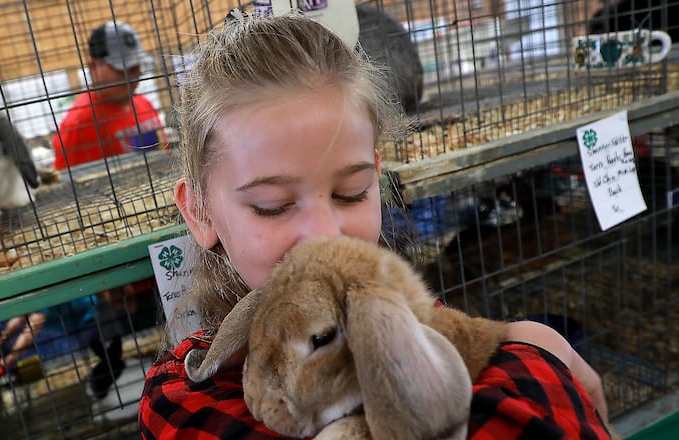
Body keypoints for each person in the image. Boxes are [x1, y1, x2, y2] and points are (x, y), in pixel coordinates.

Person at [138, 10, 614, 439]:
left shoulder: (404, 311)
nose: (324, 234)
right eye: (272, 205)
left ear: (377, 175)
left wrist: (516, 335)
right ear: (201, 211)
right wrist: (533, 358)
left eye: (352, 193)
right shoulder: (183, 403)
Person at [52, 20, 167, 170]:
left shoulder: (144, 103)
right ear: (93, 66)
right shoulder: (77, 126)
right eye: (122, 69)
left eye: (135, 67)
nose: (131, 77)